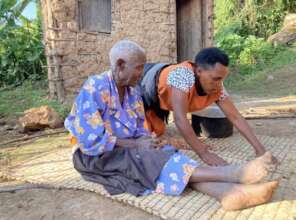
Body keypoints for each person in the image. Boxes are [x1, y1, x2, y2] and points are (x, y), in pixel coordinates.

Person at [64, 40, 278, 211]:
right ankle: (233, 174)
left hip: (123, 149)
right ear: (120, 65)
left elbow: (139, 130)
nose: (141, 73)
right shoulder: (95, 87)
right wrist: (136, 146)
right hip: (94, 156)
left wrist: (147, 140)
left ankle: (229, 195)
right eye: (139, 68)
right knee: (147, 158)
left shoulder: (132, 93)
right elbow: (90, 142)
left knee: (163, 151)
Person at [140, 48, 278, 166]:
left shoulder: (218, 86)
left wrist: (261, 150)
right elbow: (180, 119)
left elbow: (235, 117)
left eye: (221, 79)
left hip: (161, 96)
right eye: (216, 79)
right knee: (145, 140)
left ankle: (156, 122)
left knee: (159, 130)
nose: (219, 84)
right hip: (143, 84)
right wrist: (203, 153)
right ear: (198, 71)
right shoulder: (182, 75)